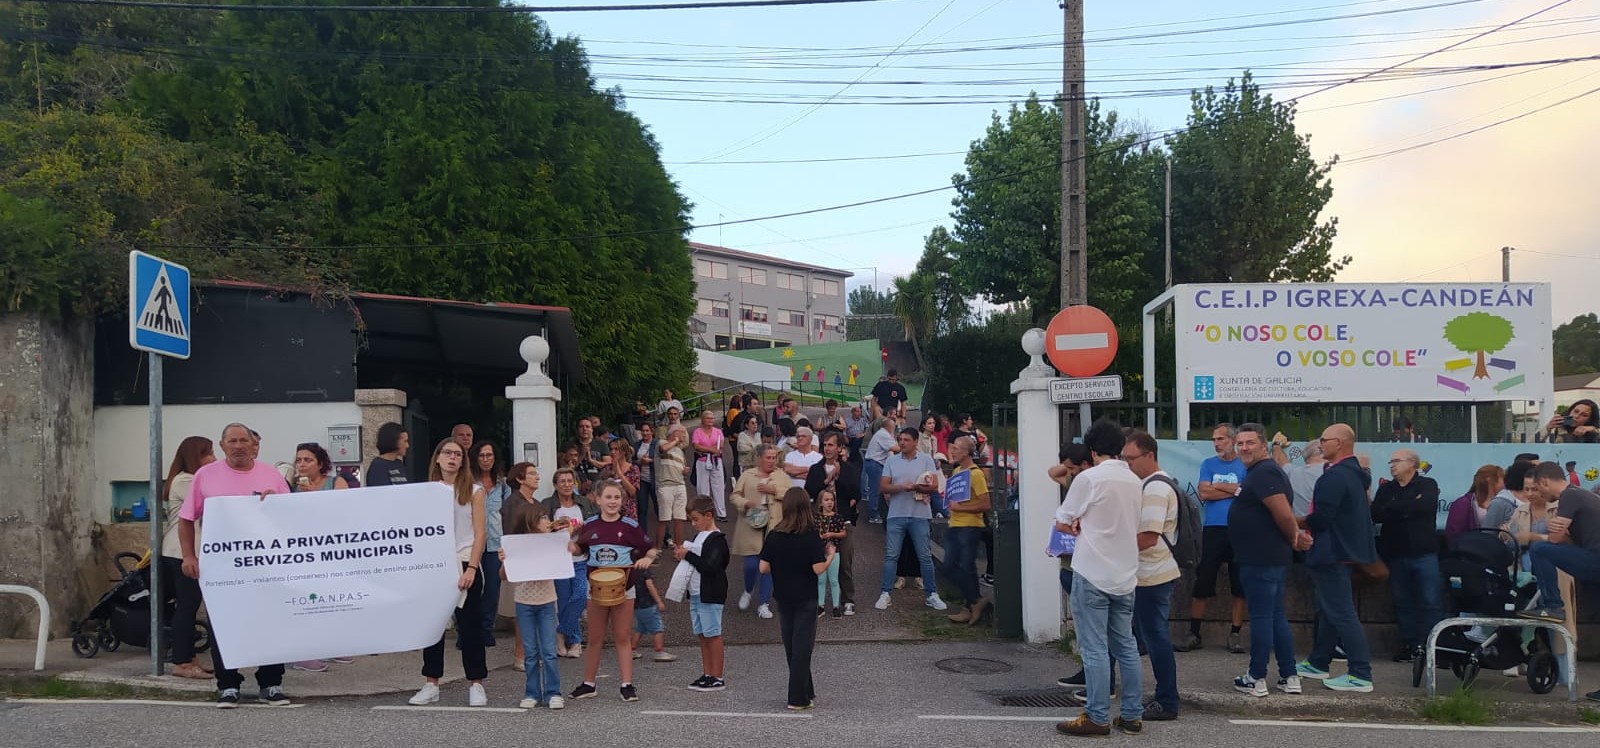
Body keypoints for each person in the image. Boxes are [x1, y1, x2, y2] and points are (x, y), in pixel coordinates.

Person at [178, 423, 294, 708]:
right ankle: (228, 685)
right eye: (233, 441)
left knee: (270, 623)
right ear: (222, 445)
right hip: (222, 567)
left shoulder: (272, 476)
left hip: (266, 566)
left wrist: (277, 504)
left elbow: (293, 518)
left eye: (244, 440)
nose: (239, 445)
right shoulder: (205, 476)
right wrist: (189, 556)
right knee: (223, 624)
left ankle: (271, 683)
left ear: (254, 444)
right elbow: (186, 518)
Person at [1053, 420, 1144, 738]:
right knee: (1126, 647)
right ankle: (1132, 715)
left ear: (1092, 450)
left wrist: (1076, 526)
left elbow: (1063, 521)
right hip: (1125, 574)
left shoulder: (1089, 478)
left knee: (1093, 649)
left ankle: (1097, 715)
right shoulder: (1134, 480)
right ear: (1120, 447)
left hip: (1092, 571)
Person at [1226, 424, 1309, 699]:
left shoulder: (1264, 472)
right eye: (1240, 443)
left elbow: (1283, 514)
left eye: (1250, 442)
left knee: (1262, 617)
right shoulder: (1262, 472)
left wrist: (1294, 537)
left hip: (1261, 558)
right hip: (1265, 557)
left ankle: (1256, 677)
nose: (1244, 448)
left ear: (1264, 446)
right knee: (1275, 617)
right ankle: (1289, 675)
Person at [1296, 423, 1377, 693]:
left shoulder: (1335, 477)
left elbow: (1321, 518)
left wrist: (1292, 521)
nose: (1320, 444)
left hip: (1332, 552)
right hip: (1343, 552)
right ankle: (1319, 662)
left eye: (1324, 439)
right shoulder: (1355, 474)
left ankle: (1360, 673)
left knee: (1341, 612)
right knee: (1330, 610)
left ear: (1340, 443)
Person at [408, 438, 490, 707]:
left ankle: (476, 683)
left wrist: (473, 568)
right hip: (435, 563)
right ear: (438, 458)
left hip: (465, 560)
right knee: (433, 626)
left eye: (458, 454)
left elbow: (480, 533)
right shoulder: (427, 491)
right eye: (448, 453)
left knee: (470, 626)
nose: (453, 458)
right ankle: (431, 682)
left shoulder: (474, 491)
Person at [568, 480, 657, 703]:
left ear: (622, 500)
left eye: (616, 497)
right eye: (608, 497)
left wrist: (647, 558)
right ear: (598, 500)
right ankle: (589, 683)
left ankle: (626, 684)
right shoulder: (589, 525)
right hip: (596, 590)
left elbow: (651, 549)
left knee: (622, 636)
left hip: (624, 589)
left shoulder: (630, 526)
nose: (612, 502)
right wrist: (571, 545)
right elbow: (578, 547)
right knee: (595, 637)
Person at [1120, 431, 1181, 720]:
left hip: (1152, 574)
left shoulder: (1155, 489)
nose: (1127, 463)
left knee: (1155, 638)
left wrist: (1112, 550)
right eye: (1124, 458)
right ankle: (1164, 696)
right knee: (1150, 636)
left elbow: (1148, 537)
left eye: (1132, 458)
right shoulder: (1149, 484)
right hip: (1152, 572)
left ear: (1150, 455)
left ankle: (1167, 700)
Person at [759, 487, 834, 711]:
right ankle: (797, 698)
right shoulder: (810, 535)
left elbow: (763, 568)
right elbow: (818, 568)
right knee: (803, 647)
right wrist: (829, 556)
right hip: (806, 597)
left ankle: (806, 689)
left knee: (791, 645)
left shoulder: (774, 535)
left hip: (783, 596)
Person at [1371, 448, 1443, 662]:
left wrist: (1393, 508)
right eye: (1391, 461)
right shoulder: (1386, 488)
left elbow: (1425, 505)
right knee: (1402, 602)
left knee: (1431, 601)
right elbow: (1376, 514)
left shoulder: (1427, 484)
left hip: (1424, 553)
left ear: (1412, 464)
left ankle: (1432, 647)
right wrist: (1408, 507)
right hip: (1396, 553)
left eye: (1397, 461)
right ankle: (1410, 645)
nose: (1392, 465)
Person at [498, 477, 563, 710]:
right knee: (531, 650)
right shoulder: (518, 544)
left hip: (547, 601)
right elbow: (504, 576)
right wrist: (505, 560)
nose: (547, 521)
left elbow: (568, 552)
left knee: (548, 649)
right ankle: (532, 692)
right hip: (524, 602)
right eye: (543, 517)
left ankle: (553, 692)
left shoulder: (553, 542)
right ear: (530, 522)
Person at [1180, 423, 1247, 654]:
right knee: (1203, 579)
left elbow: (1246, 492)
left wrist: (1219, 486)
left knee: (1240, 584)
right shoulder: (1208, 464)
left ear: (1232, 440)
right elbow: (1204, 492)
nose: (1217, 443)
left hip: (1239, 529)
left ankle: (1235, 634)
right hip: (1213, 529)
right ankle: (1194, 633)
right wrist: (1232, 488)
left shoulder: (1244, 464)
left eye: (1221, 439)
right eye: (1214, 439)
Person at [1520, 463, 1600, 646]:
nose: (1540, 494)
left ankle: (1552, 605)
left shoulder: (1569, 495)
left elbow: (1554, 539)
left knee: (1539, 549)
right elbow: (1568, 541)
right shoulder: (1582, 495)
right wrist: (1559, 535)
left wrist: (1531, 536)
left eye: (1538, 488)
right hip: (1592, 556)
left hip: (1595, 558)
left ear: (1545, 482)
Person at [288, 441, 350, 673]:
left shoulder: (336, 483)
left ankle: (333, 644)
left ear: (320, 463)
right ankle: (304, 652)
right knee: (308, 600)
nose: (302, 464)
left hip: (333, 550)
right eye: (299, 460)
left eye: (307, 460)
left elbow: (347, 512)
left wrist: (315, 496)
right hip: (304, 552)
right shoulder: (292, 489)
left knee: (333, 598)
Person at [875, 427, 948, 611]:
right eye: (900, 439)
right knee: (891, 555)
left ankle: (931, 593)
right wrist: (901, 487)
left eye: (906, 440)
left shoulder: (926, 460)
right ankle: (885, 593)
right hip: (896, 514)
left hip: (920, 515)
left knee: (924, 556)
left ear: (915, 442)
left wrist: (919, 487)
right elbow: (883, 486)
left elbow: (935, 486)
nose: (902, 443)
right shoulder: (892, 460)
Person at [161, 436, 215, 680]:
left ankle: (189, 657)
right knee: (187, 606)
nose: (213, 459)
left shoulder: (188, 479)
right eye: (208, 454)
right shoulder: (186, 480)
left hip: (189, 551)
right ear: (196, 457)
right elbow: (213, 500)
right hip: (181, 551)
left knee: (190, 605)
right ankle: (181, 661)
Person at [676, 497, 730, 692]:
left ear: (708, 516)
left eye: (696, 519)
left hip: (711, 592)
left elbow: (711, 566)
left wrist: (687, 555)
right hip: (697, 592)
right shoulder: (700, 537)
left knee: (713, 634)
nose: (693, 523)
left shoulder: (717, 539)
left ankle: (717, 675)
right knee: (702, 634)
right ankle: (708, 673)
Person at [805, 431, 861, 615]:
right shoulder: (815, 469)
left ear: (839, 448)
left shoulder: (849, 469)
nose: (827, 449)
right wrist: (827, 480)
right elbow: (810, 491)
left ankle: (847, 599)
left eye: (831, 445)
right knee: (816, 561)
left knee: (844, 562)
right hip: (820, 523)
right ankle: (817, 600)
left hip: (842, 522)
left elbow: (856, 493)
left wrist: (839, 476)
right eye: (825, 445)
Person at [543, 468, 598, 658]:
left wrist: (581, 531)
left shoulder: (583, 504)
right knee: (564, 600)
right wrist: (560, 529)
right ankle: (574, 642)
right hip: (560, 561)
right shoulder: (548, 505)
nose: (566, 485)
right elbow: (543, 532)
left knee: (581, 595)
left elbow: (595, 526)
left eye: (569, 481)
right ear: (555, 485)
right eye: (562, 481)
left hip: (581, 558)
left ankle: (560, 632)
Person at [731, 445, 789, 619]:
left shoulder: (781, 476)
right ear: (759, 458)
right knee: (751, 565)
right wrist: (746, 503)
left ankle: (763, 604)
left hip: (774, 526)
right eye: (768, 457)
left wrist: (774, 491)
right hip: (751, 525)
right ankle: (748, 590)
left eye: (774, 458)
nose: (771, 461)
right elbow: (735, 496)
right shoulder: (748, 475)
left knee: (768, 567)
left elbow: (791, 495)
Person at [942, 436, 991, 625]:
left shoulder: (976, 474)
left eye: (956, 448)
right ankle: (973, 602)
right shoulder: (956, 471)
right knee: (952, 566)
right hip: (955, 525)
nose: (952, 451)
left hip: (970, 526)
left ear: (966, 452)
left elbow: (985, 503)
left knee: (964, 566)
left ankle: (974, 603)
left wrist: (959, 508)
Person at [501, 463, 542, 669]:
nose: (537, 477)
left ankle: (529, 653)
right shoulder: (512, 503)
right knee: (521, 612)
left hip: (535, 561)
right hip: (520, 561)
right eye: (532, 474)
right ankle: (520, 655)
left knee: (531, 609)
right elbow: (510, 535)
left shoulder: (535, 502)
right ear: (520, 479)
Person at [1444, 465, 1505, 542]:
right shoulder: (1463, 504)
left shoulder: (1503, 503)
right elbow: (1453, 534)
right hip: (1469, 550)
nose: (1505, 484)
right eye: (1503, 479)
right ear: (1490, 480)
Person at [654, 424, 691, 551]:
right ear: (674, 433)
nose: (684, 435)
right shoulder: (662, 442)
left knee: (679, 518)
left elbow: (681, 467)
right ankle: (657, 548)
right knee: (664, 519)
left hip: (680, 484)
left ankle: (678, 547)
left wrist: (685, 471)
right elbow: (663, 449)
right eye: (682, 433)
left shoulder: (680, 450)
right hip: (665, 485)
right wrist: (675, 440)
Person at [1271, 434, 1324, 519]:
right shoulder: (1334, 471)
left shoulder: (1294, 473)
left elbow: (1280, 462)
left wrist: (1276, 445)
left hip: (1300, 529)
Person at [814, 489, 849, 618]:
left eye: (832, 500)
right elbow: (812, 532)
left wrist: (832, 534)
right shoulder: (816, 517)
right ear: (820, 502)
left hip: (834, 551)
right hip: (819, 552)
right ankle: (820, 605)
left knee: (834, 580)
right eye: (826, 500)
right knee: (820, 580)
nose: (829, 503)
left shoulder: (838, 517)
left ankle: (836, 606)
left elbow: (843, 533)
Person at [630, 572, 675, 663]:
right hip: (648, 605)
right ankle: (659, 652)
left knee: (640, 628)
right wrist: (659, 601)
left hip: (637, 605)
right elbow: (650, 586)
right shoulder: (645, 571)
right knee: (657, 628)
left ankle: (631, 650)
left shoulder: (631, 570)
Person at [861, 416, 897, 524]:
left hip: (877, 464)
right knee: (875, 490)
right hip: (874, 464)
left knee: (880, 490)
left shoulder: (884, 435)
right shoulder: (884, 435)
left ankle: (880, 512)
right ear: (890, 427)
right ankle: (874, 515)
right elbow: (896, 448)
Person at [692, 410, 728, 520]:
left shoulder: (718, 431)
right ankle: (704, 512)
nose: (710, 420)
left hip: (716, 461)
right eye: (708, 418)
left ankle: (721, 513)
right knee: (703, 488)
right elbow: (696, 445)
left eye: (712, 418)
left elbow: (720, 445)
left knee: (719, 487)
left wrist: (709, 449)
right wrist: (710, 449)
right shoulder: (697, 431)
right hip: (702, 461)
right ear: (702, 420)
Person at [599, 437, 641, 522]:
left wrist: (619, 473)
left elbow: (632, 491)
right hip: (610, 511)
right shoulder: (607, 469)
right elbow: (600, 490)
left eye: (616, 449)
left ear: (624, 451)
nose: (612, 452)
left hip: (627, 512)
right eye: (611, 449)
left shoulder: (633, 468)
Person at [366, 422, 410, 487]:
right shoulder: (378, 465)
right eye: (405, 441)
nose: (407, 446)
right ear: (394, 441)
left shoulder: (399, 464)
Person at [635, 423, 657, 539]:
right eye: (643, 431)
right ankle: (643, 535)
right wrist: (640, 462)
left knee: (659, 508)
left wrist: (651, 461)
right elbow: (632, 461)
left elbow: (661, 459)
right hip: (642, 480)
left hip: (655, 479)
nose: (645, 433)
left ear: (652, 431)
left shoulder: (657, 444)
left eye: (647, 430)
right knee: (642, 508)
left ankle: (665, 536)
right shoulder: (637, 445)